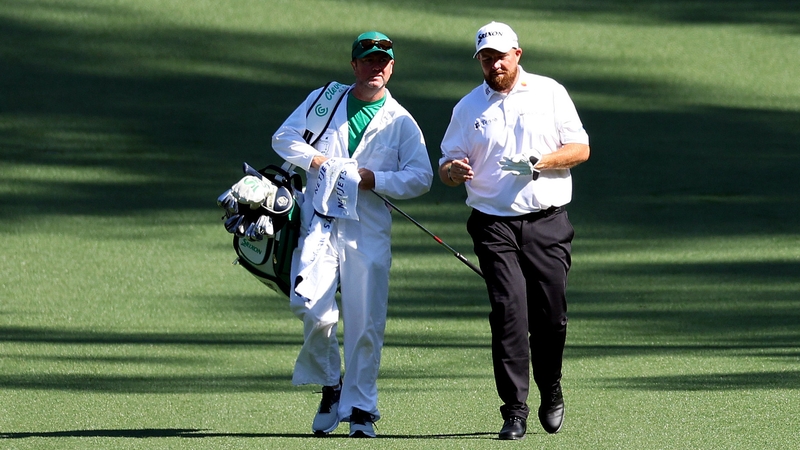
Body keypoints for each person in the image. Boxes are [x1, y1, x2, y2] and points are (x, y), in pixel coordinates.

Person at [271, 31, 433, 438]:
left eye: (383, 61)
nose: (375, 67)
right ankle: (331, 384)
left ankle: (361, 409)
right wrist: (322, 161)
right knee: (309, 305)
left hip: (369, 229)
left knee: (366, 322)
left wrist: (373, 178)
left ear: (391, 67)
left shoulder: (401, 121)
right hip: (320, 221)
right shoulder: (325, 99)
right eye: (368, 60)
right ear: (354, 65)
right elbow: (283, 139)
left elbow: (422, 177)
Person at [438, 22, 590, 440]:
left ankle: (551, 386)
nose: (494, 65)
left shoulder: (550, 92)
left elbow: (580, 148)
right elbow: (447, 165)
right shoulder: (468, 107)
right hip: (492, 224)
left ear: (517, 54)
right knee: (508, 314)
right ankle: (514, 411)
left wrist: (539, 163)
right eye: (486, 59)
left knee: (551, 317)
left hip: (547, 221)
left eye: (500, 57)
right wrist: (452, 171)